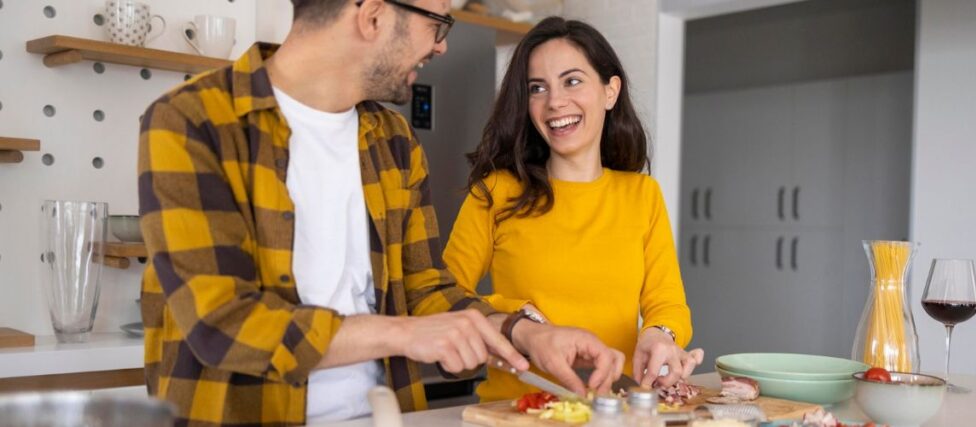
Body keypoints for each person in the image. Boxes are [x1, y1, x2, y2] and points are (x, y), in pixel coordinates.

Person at [137, 2, 623, 425]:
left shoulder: (392, 140)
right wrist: (406, 334)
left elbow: (426, 290)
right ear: (372, 15)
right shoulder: (192, 122)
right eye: (438, 24)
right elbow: (222, 323)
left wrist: (526, 334)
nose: (441, 48)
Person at [443, 16, 704, 402]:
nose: (555, 102)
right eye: (538, 88)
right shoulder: (496, 192)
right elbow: (442, 297)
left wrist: (660, 335)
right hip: (516, 411)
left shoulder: (642, 195)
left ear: (610, 91)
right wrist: (519, 319)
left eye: (572, 80)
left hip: (614, 409)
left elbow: (667, 303)